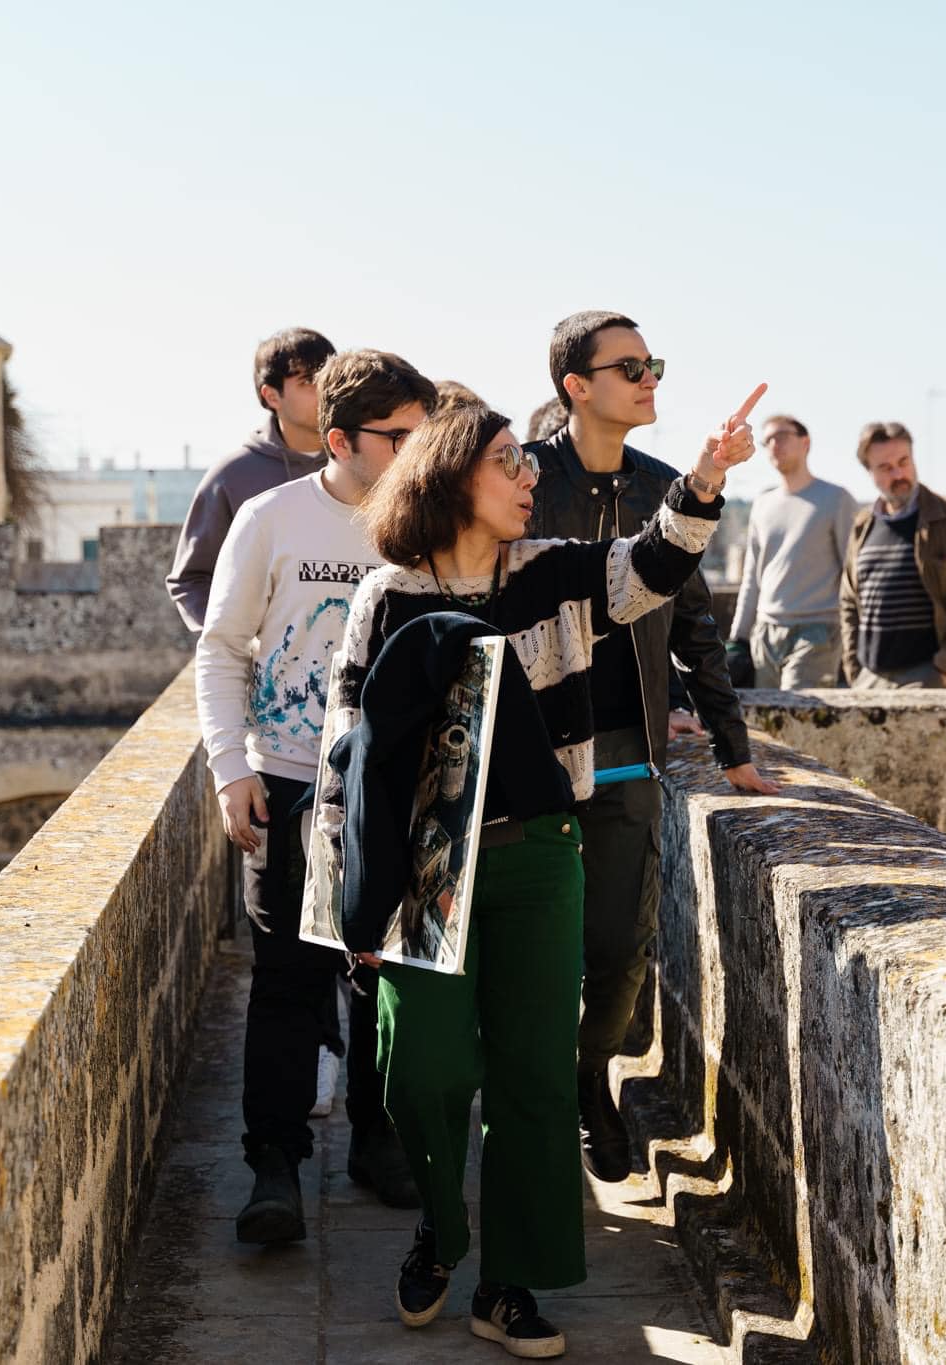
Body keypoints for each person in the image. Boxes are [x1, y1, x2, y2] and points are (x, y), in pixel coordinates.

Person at [317, 392, 764, 1358]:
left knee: (531, 1077)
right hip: (430, 871)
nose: (529, 479)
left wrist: (705, 479)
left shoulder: (553, 574)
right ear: (450, 479)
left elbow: (651, 568)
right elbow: (343, 756)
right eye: (508, 464)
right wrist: (346, 893)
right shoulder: (386, 595)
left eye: (527, 463)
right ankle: (441, 1224)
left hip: (539, 855)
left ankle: (508, 1283)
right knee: (425, 1067)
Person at [525, 310, 776, 1186]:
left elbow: (695, 625)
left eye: (652, 363)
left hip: (632, 744)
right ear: (576, 387)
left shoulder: (669, 483)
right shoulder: (524, 482)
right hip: (535, 754)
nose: (648, 378)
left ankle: (590, 1075)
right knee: (537, 946)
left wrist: (733, 744)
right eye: (629, 366)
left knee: (622, 955)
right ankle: (546, 1098)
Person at [194, 349, 437, 1244]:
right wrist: (231, 768)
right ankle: (274, 1166)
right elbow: (220, 648)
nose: (417, 452)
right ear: (340, 440)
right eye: (398, 437)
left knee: (387, 976)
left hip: (395, 790)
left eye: (424, 433)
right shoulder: (271, 519)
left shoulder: (424, 522)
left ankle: (378, 1141)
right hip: (292, 779)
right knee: (288, 983)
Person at [167, 327, 336, 629]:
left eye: (330, 376)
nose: (325, 389)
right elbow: (191, 580)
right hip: (262, 669)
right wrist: (233, 644)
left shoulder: (361, 462)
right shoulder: (231, 476)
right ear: (271, 395)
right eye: (308, 381)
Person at [838, 422, 946, 688]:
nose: (899, 473)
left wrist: (943, 670)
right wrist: (855, 669)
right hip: (872, 680)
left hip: (934, 677)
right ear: (869, 472)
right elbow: (849, 602)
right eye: (885, 468)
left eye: (904, 461)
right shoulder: (863, 525)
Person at [726, 413, 857, 688]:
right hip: (766, 630)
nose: (774, 445)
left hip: (818, 630)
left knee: (800, 715)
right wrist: (738, 638)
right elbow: (752, 576)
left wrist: (858, 635)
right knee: (767, 723)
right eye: (768, 440)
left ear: (805, 442)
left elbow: (853, 572)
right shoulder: (762, 504)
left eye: (782, 436)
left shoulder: (836, 499)